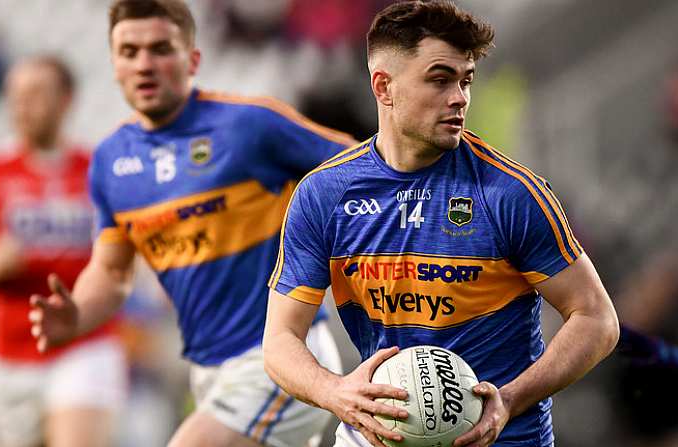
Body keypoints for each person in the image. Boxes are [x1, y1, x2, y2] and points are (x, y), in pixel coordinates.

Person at [262, 2, 620, 447]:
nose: (460, 97)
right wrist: (336, 392)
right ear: (383, 86)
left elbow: (597, 319)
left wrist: (509, 399)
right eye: (440, 79)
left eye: (465, 80)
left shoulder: (509, 194)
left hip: (501, 437)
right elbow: (279, 340)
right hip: (381, 431)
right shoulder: (325, 195)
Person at [28, 1, 354, 446]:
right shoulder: (111, 162)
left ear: (193, 59)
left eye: (160, 48)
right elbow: (111, 271)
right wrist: (79, 314)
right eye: (129, 51)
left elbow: (360, 167)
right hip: (209, 370)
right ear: (113, 64)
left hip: (282, 355)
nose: (144, 64)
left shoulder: (249, 125)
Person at [0, 56, 125, 447]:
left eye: (35, 94)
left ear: (66, 100)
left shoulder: (98, 173)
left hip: (84, 343)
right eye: (15, 95)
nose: (22, 106)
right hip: (10, 354)